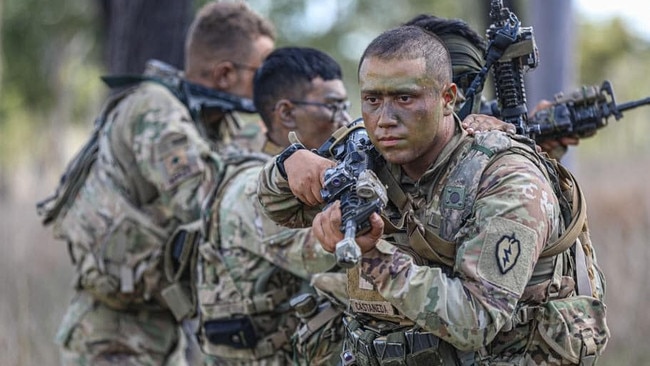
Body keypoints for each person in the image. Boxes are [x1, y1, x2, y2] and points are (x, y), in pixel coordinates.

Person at [257, 26, 609, 365]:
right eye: (372, 99)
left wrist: (373, 258)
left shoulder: (507, 178)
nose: (384, 119)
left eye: (404, 98)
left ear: (447, 98)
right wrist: (291, 163)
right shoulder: (367, 154)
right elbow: (276, 204)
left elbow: (476, 320)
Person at [37, 2, 275, 365]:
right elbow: (207, 202)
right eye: (261, 74)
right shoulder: (156, 110)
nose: (265, 88)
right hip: (113, 339)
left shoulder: (210, 121)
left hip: (160, 334)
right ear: (225, 73)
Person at [195, 47, 350, 365]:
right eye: (332, 107)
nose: (345, 120)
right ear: (286, 114)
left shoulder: (287, 174)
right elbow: (334, 252)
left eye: (345, 107)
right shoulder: (254, 191)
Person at [404, 14, 579, 160]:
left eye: (469, 82)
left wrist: (532, 154)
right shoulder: (385, 141)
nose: (458, 96)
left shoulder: (490, 124)